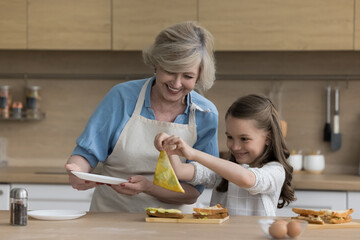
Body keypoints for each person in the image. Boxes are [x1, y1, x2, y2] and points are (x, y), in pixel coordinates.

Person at [64, 21, 219, 213]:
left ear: (199, 76)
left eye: (187, 76)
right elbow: (87, 153)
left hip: (175, 225)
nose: (177, 84)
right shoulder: (122, 97)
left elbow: (193, 193)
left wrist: (148, 188)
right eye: (170, 71)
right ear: (157, 64)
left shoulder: (206, 114)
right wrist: (78, 172)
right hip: (111, 219)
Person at [154, 94, 296, 216]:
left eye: (244, 139)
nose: (235, 146)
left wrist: (194, 153)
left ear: (268, 138)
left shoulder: (275, 170)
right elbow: (179, 171)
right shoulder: (224, 170)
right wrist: (169, 147)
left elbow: (247, 179)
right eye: (230, 137)